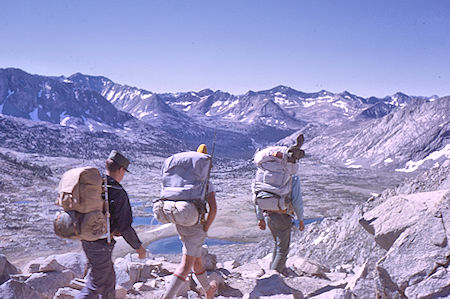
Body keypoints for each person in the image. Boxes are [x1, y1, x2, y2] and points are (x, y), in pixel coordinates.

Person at [75, 150, 146, 299]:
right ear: (120, 170)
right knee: (94, 285)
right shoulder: (118, 191)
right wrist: (139, 248)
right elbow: (125, 227)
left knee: (108, 280)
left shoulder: (97, 186)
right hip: (101, 244)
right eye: (124, 172)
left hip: (87, 239)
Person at [163, 144, 218, 299]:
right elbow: (213, 209)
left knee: (196, 261)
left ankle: (208, 291)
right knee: (186, 266)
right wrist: (205, 229)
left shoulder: (185, 181)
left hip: (181, 223)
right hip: (196, 227)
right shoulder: (206, 183)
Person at [255, 139, 305, 274]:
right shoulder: (291, 177)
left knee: (277, 244)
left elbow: (257, 196)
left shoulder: (262, 175)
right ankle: (273, 278)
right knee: (283, 249)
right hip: (283, 215)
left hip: (268, 216)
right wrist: (301, 219)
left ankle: (275, 270)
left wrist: (260, 217)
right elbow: (297, 200)